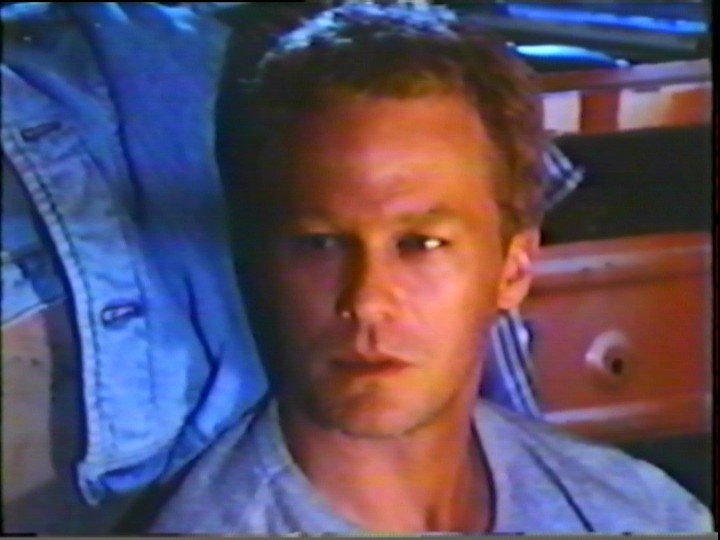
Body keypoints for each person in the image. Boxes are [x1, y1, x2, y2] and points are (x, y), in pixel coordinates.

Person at [149, 2, 713, 535]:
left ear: (513, 270)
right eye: (321, 244)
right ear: (263, 265)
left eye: (420, 244)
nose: (367, 300)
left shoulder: (637, 511)